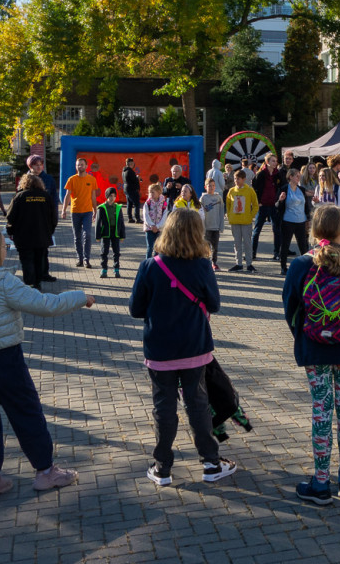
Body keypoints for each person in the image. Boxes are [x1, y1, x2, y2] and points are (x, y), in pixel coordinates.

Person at [0, 226, 92, 501]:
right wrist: (79, 296)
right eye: (3, 246)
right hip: (5, 359)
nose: (6, 250)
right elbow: (45, 304)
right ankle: (46, 471)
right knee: (27, 413)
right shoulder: (3, 281)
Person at [129, 208, 238, 486]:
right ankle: (211, 463)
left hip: (160, 349)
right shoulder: (202, 266)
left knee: (163, 407)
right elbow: (214, 304)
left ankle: (162, 467)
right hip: (194, 347)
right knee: (198, 405)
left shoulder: (150, 266)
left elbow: (135, 309)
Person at [282, 204, 340, 504]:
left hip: (314, 351)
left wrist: (309, 332)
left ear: (314, 229)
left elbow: (290, 310)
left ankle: (320, 482)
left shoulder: (300, 265)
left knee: (321, 411)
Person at [6, 174, 56, 290]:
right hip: (42, 235)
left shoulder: (19, 196)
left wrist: (10, 231)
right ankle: (37, 283)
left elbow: (10, 217)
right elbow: (53, 217)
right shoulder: (46, 196)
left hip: (23, 236)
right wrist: (50, 231)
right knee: (39, 260)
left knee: (26, 260)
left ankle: (29, 283)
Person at [27, 155, 60, 284]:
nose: (39, 166)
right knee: (31, 250)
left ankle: (44, 273)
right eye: (36, 164)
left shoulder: (48, 179)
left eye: (41, 164)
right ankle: (33, 277)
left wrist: (53, 220)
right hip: (30, 219)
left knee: (44, 249)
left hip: (45, 219)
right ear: (30, 166)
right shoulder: (26, 179)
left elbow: (54, 199)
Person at [61, 157, 98, 269]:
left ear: (86, 166)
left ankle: (87, 260)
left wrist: (95, 210)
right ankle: (79, 259)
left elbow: (93, 196)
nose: (80, 166)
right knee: (77, 237)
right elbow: (67, 195)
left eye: (82, 164)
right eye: (78, 165)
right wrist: (63, 210)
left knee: (87, 235)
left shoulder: (91, 179)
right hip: (75, 211)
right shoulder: (72, 179)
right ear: (76, 166)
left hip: (87, 212)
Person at [277, 168, 312, 275]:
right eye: (297, 176)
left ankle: (306, 268)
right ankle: (283, 267)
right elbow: (277, 206)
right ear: (290, 177)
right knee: (285, 245)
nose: (299, 177)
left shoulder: (301, 189)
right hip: (288, 221)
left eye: (299, 175)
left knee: (303, 246)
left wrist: (308, 218)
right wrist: (280, 200)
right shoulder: (284, 189)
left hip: (301, 221)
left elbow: (306, 205)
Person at [251, 155, 283, 262]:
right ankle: (252, 252)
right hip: (262, 205)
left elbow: (281, 187)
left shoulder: (277, 174)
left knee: (276, 230)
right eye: (273, 161)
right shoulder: (260, 174)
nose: (275, 163)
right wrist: (258, 202)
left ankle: (276, 253)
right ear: (267, 162)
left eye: (276, 161)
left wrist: (278, 200)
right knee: (257, 229)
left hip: (273, 205)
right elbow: (254, 189)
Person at [225, 170, 259, 272]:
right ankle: (238, 263)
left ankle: (249, 264)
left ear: (243, 179)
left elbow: (255, 205)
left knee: (247, 243)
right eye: (235, 179)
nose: (236, 181)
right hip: (235, 221)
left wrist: (250, 216)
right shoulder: (231, 191)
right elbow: (228, 204)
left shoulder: (249, 190)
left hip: (246, 221)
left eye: (238, 179)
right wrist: (229, 215)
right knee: (237, 244)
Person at [96, 187, 126, 278]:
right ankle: (104, 269)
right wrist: (98, 236)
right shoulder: (102, 208)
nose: (112, 198)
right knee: (104, 251)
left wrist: (122, 235)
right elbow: (98, 222)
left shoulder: (118, 207)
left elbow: (121, 222)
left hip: (115, 232)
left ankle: (116, 269)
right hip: (106, 232)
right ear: (107, 196)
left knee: (116, 251)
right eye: (110, 196)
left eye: (114, 196)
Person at [200, 178, 226, 271]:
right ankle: (206, 262)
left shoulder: (218, 198)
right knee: (206, 246)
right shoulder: (203, 198)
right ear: (205, 187)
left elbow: (221, 212)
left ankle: (214, 262)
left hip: (215, 227)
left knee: (215, 247)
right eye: (209, 186)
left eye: (213, 186)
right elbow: (201, 213)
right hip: (206, 227)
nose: (211, 187)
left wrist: (221, 225)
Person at [142, 183, 169, 260]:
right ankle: (148, 263)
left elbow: (164, 217)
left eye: (153, 192)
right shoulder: (147, 203)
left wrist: (157, 227)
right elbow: (146, 216)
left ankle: (157, 264)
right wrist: (152, 225)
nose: (151, 194)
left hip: (159, 229)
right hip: (149, 229)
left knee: (158, 248)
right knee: (149, 248)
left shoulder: (164, 203)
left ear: (159, 192)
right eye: (149, 192)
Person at [122, 158, 142, 224]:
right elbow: (133, 180)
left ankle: (130, 218)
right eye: (132, 163)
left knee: (129, 204)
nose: (133, 165)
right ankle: (137, 218)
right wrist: (137, 178)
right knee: (136, 204)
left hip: (127, 189)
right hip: (132, 189)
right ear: (130, 164)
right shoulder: (130, 171)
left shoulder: (124, 171)